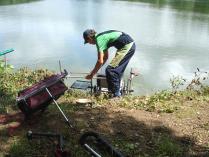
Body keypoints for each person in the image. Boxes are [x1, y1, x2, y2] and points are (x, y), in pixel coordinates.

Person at [83, 29, 135, 97]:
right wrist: (95, 70)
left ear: (89, 38)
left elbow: (100, 60)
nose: (89, 43)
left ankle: (115, 96)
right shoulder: (101, 38)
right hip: (125, 46)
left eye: (87, 41)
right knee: (115, 71)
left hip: (127, 46)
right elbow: (105, 58)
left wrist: (92, 74)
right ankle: (115, 94)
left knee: (111, 70)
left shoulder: (99, 40)